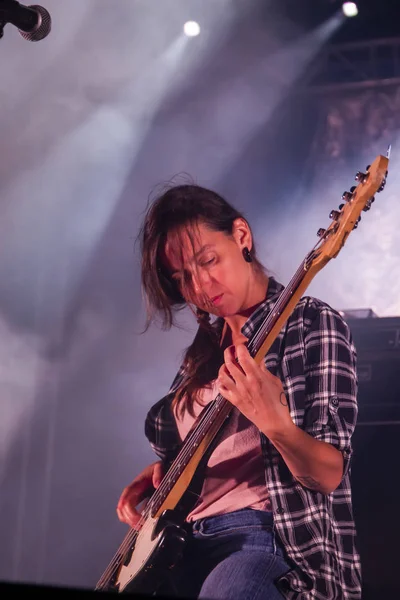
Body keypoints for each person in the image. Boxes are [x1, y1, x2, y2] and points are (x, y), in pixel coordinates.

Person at [116, 184, 362, 600]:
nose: (199, 284)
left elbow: (327, 473)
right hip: (178, 547)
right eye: (182, 278)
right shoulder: (200, 356)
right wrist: (163, 473)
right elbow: (209, 451)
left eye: (207, 260)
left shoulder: (309, 324)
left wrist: (276, 425)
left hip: (259, 541)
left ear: (241, 237)